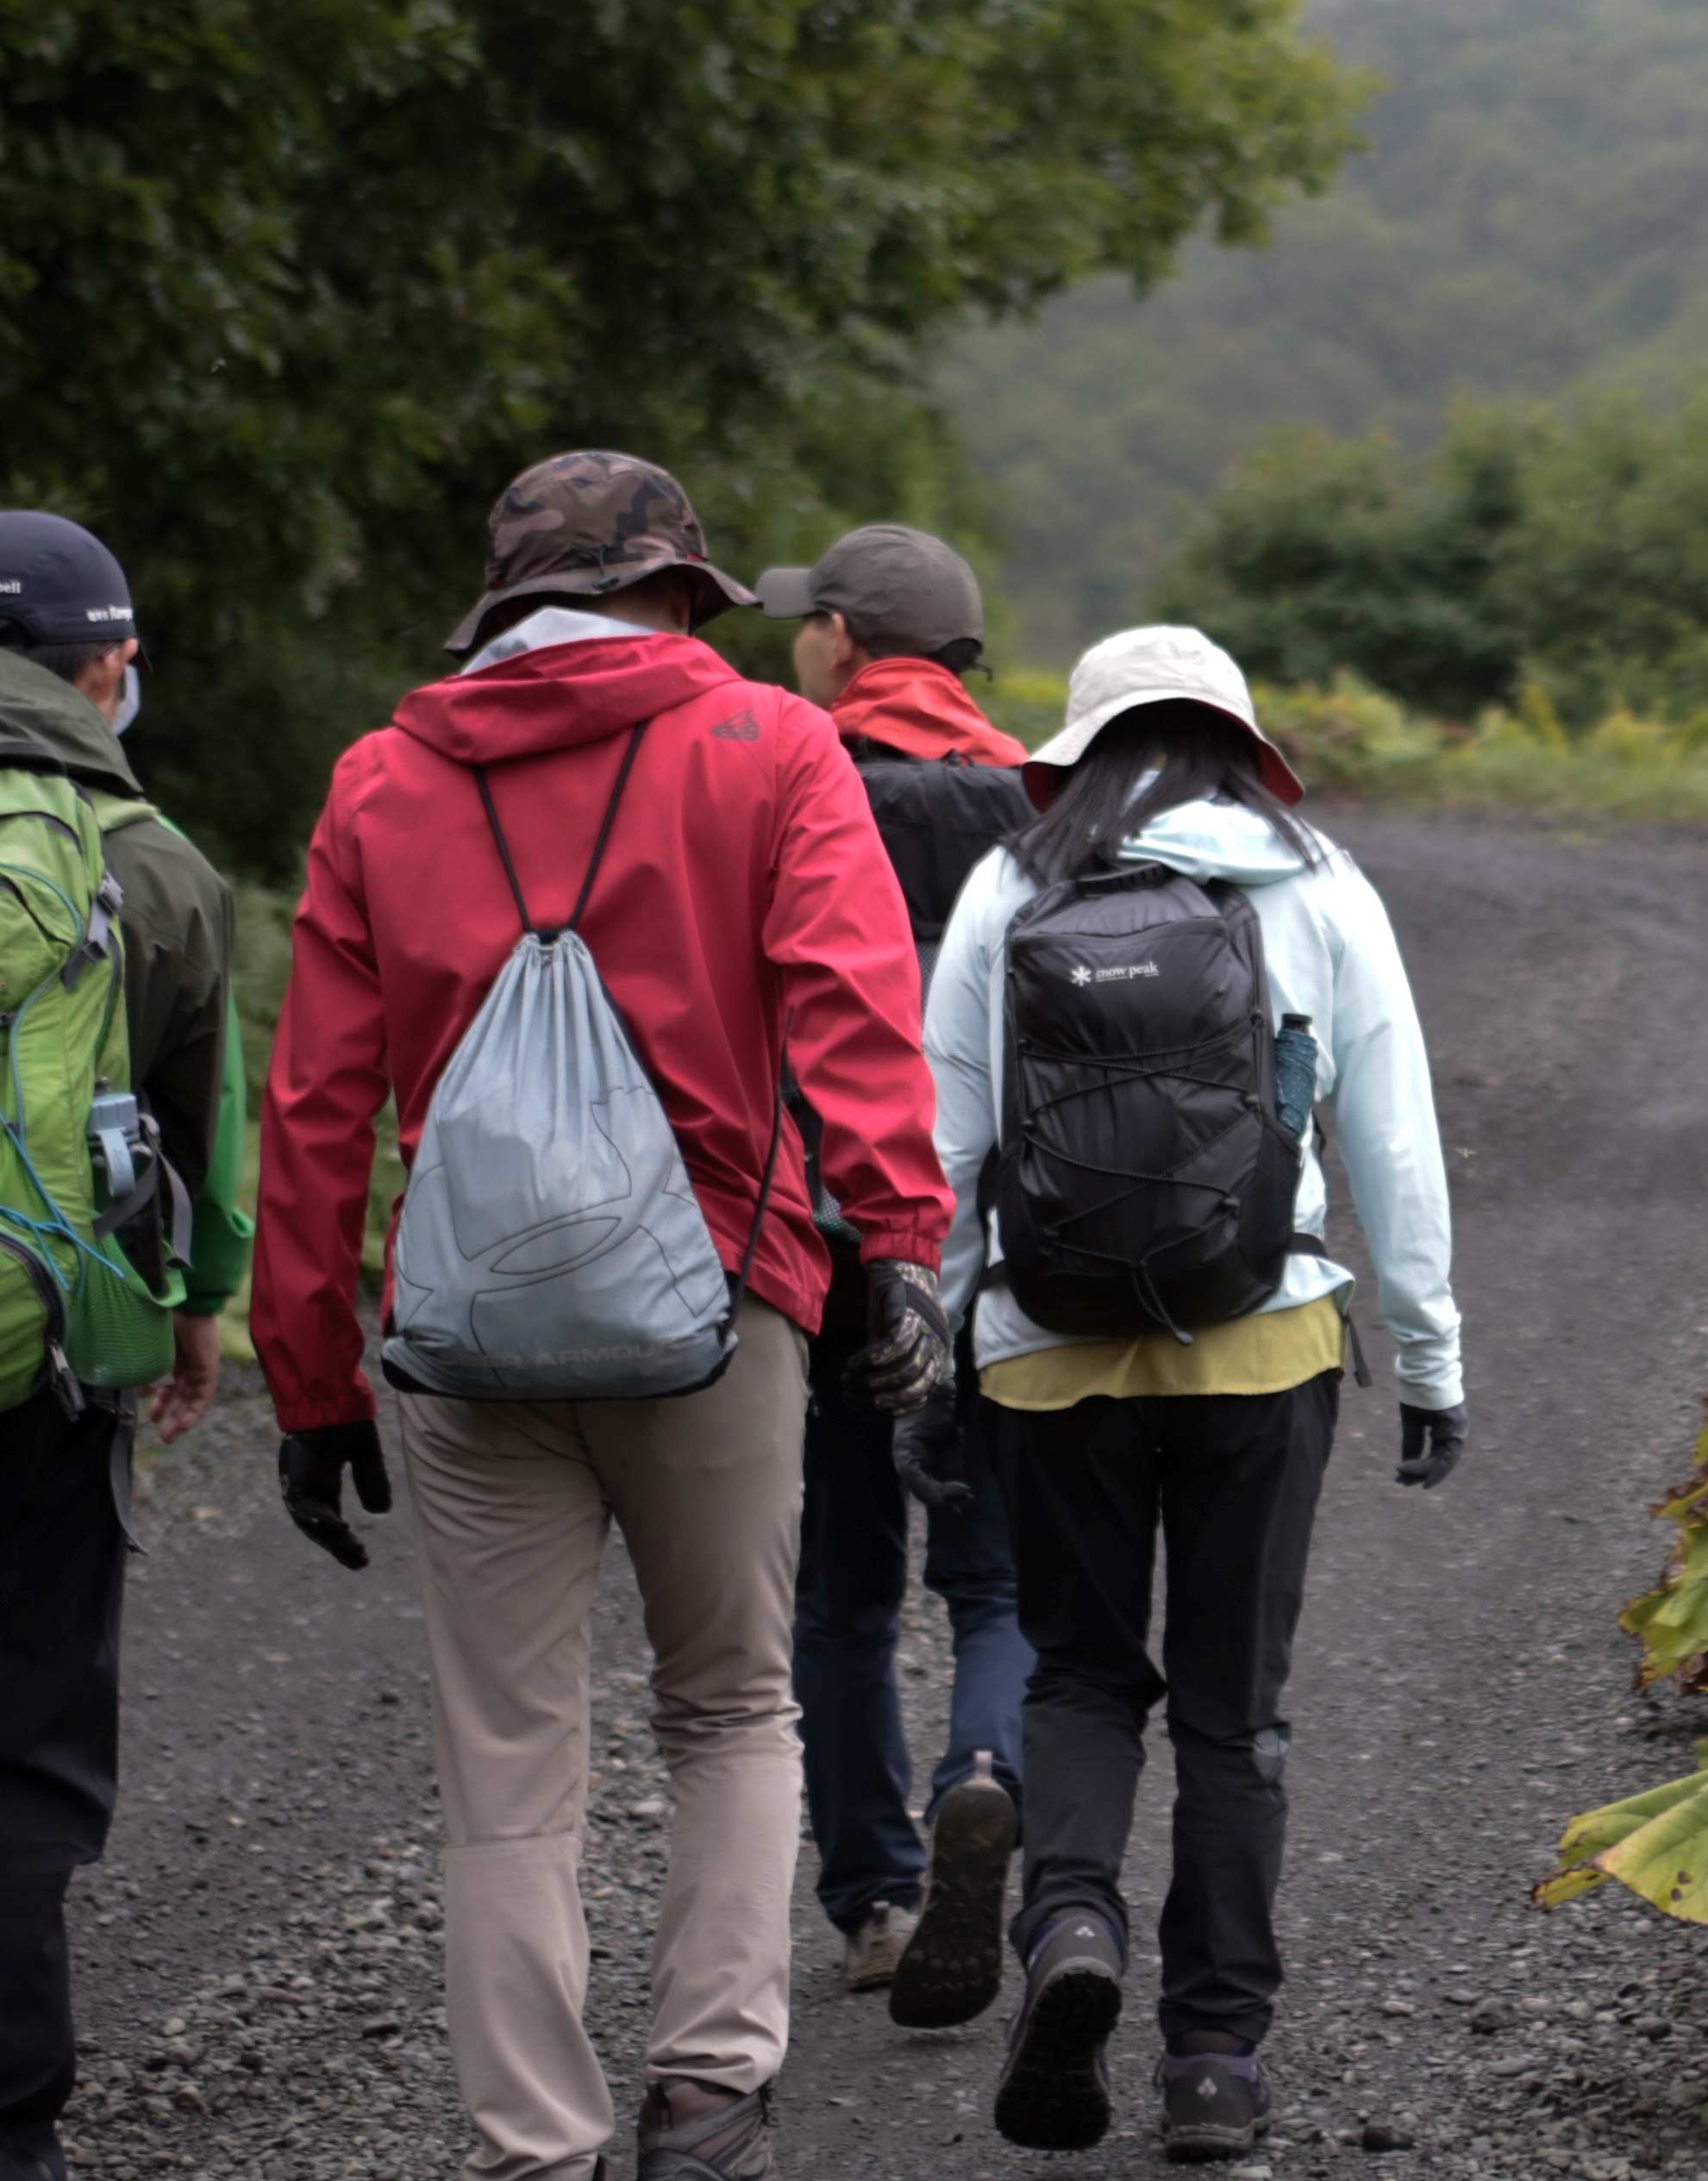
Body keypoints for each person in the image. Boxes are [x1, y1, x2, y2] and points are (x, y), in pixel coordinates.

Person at [253, 454, 953, 2181]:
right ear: (675, 590)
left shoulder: (382, 780)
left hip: (468, 1331)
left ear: (505, 601)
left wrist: (313, 1379)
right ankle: (709, 2093)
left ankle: (532, 2146)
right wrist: (906, 1245)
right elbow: (855, 1012)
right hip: (723, 1303)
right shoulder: (770, 748)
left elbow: (317, 1107)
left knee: (506, 1756)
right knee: (728, 1704)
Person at [928, 628, 1463, 2165]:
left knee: (1083, 1675)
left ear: (1081, 750)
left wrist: (936, 1344)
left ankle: (1073, 1931)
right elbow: (1396, 1141)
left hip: (1047, 1347)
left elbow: (946, 1142)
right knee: (1237, 1717)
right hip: (1263, 1342)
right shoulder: (1318, 881)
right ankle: (1215, 2062)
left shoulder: (1012, 886)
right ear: (1242, 743)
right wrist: (1429, 1361)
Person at [754, 525, 1034, 2026]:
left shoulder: (788, 782)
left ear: (847, 640)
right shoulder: (1046, 801)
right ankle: (984, 1772)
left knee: (842, 1590)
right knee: (993, 1576)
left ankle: (872, 1898)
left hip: (823, 1247)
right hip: (997, 1255)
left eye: (811, 625)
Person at [0, 518, 242, 2181]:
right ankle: (14, 2124)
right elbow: (195, 1132)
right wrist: (201, 1311)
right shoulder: (149, 866)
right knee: (24, 1733)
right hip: (42, 1366)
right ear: (108, 669)